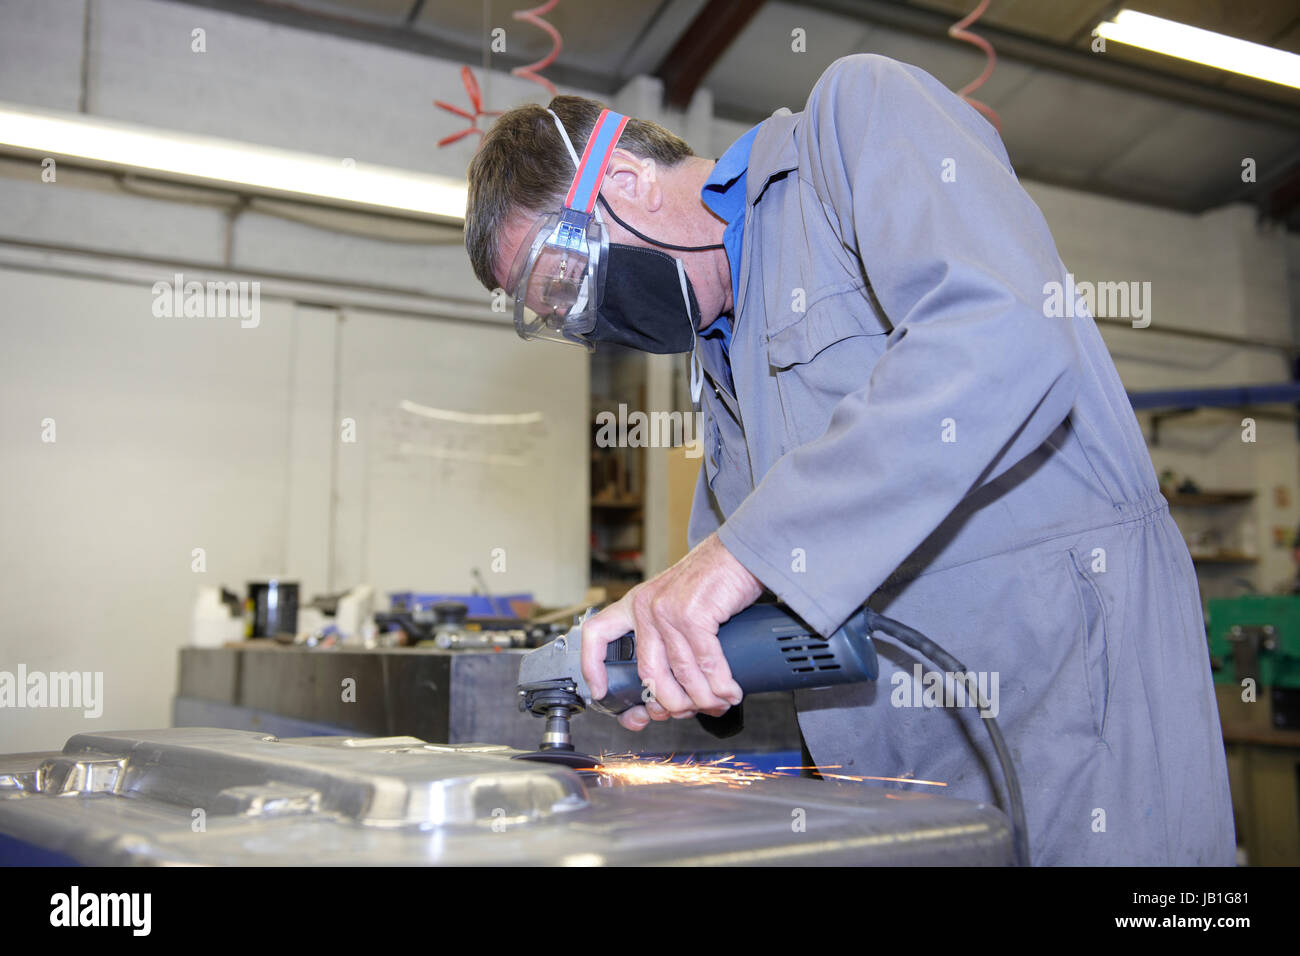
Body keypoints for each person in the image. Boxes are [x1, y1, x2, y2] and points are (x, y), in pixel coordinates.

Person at [463, 53, 1235, 865]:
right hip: (899, 765)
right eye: (554, 316)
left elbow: (1004, 330)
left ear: (624, 181)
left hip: (1067, 693)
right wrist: (660, 649)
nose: (582, 322)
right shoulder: (718, 359)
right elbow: (753, 580)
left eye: (564, 281)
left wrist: (729, 560)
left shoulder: (851, 125)